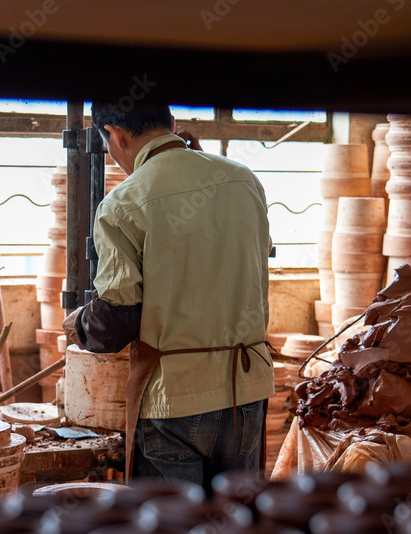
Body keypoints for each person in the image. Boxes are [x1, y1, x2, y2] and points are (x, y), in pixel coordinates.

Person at [63, 101, 274, 489]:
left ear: (114, 134)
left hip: (175, 402)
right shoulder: (244, 180)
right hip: (246, 390)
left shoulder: (123, 202)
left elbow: (116, 319)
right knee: (234, 529)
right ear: (171, 123)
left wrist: (78, 324)